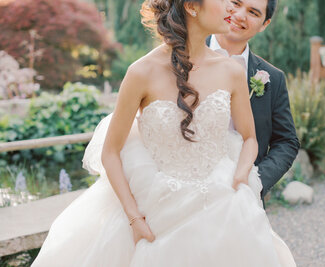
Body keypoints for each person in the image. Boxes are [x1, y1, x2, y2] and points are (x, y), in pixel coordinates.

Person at [31, 0, 296, 266]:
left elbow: (250, 138)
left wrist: (240, 178)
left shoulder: (232, 71)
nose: (231, 8)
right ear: (192, 6)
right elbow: (110, 152)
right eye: (225, 0)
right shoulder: (140, 72)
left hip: (223, 201)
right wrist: (134, 219)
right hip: (157, 205)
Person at [206, 0, 300, 206]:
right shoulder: (180, 57)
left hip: (241, 198)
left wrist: (254, 182)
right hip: (187, 191)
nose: (240, 15)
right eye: (235, 3)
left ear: (264, 24)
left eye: (253, 12)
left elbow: (286, 141)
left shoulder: (273, 78)